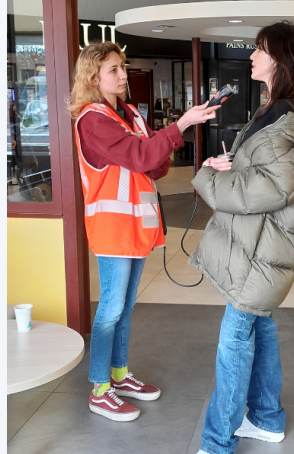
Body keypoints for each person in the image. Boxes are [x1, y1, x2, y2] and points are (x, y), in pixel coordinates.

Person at [187, 21, 294, 454]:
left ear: (282, 59)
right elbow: (265, 176)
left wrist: (208, 176)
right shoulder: (274, 112)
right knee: (261, 327)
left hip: (260, 258)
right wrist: (231, 163)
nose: (251, 56)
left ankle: (217, 447)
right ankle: (268, 420)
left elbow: (265, 190)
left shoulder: (280, 122)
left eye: (260, 49)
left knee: (234, 342)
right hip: (260, 252)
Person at [68, 41, 218, 422]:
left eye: (123, 67)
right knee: (111, 309)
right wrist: (179, 126)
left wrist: (157, 150)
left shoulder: (130, 113)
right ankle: (100, 389)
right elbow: (142, 156)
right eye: (113, 70)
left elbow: (154, 164)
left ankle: (118, 375)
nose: (122, 75)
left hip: (135, 226)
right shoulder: (92, 119)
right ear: (93, 77)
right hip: (113, 227)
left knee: (125, 307)